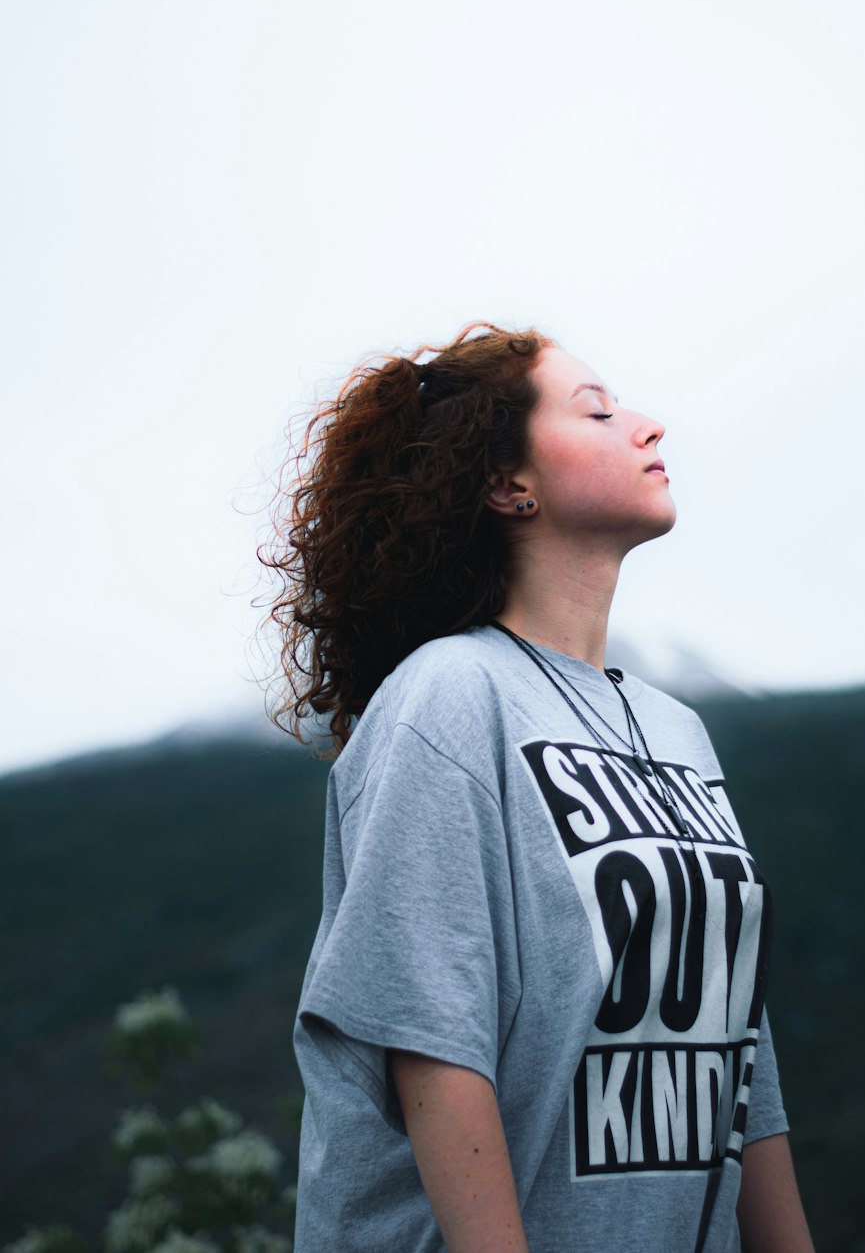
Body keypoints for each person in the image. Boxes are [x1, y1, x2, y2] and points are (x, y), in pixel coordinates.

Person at [260, 320, 815, 1253]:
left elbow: (738, 1061)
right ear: (507, 484)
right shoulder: (449, 696)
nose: (648, 427)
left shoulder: (680, 733)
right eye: (596, 411)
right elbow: (429, 1043)